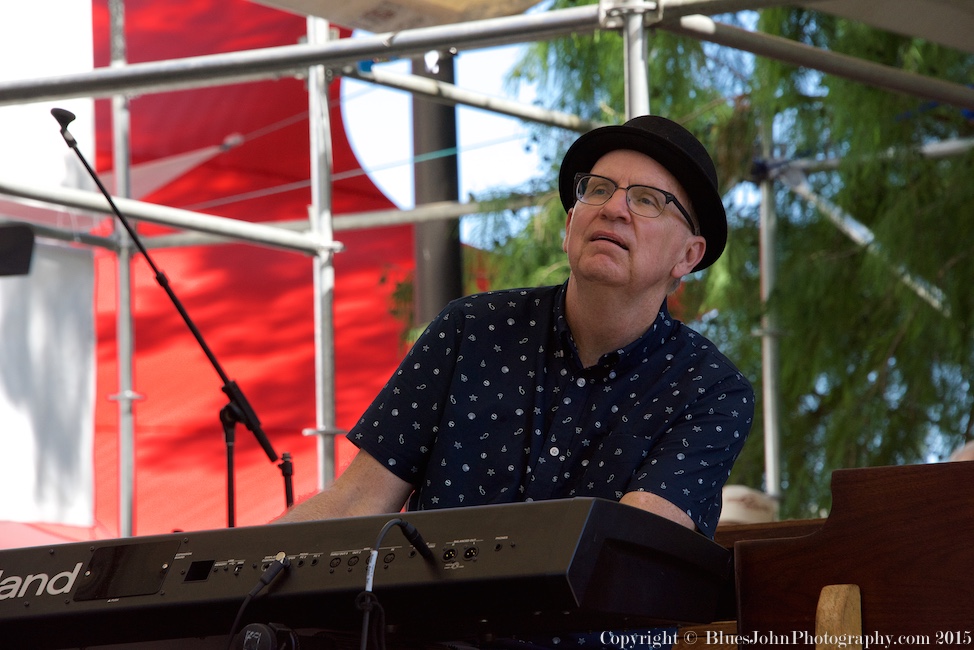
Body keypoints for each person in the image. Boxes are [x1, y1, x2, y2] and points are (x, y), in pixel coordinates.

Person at [279, 115, 754, 646]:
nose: (614, 208)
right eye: (597, 190)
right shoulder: (471, 330)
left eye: (647, 200)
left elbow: (625, 553)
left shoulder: (710, 388)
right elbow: (355, 503)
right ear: (571, 220)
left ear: (687, 255)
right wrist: (226, 571)